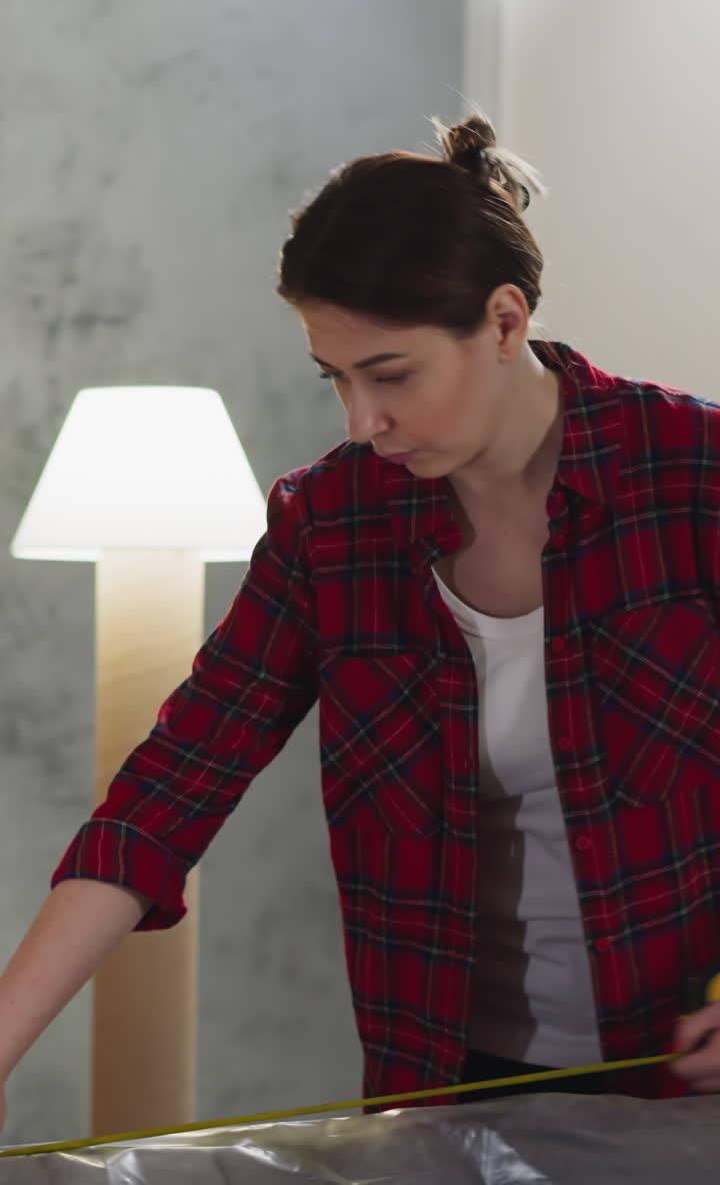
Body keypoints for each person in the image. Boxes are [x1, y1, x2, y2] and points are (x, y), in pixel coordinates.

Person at [1, 113, 720, 1132]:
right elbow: (165, 794)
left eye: (389, 376)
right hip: (444, 1083)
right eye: (334, 378)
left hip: (686, 1086)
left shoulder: (694, 476)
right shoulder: (329, 524)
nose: (360, 422)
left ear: (506, 321)